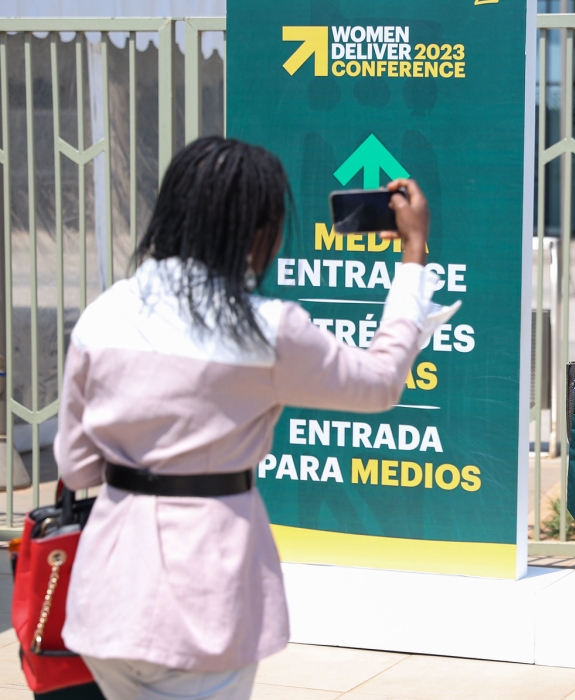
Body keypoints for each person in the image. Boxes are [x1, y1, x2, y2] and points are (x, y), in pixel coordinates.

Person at [53, 136, 449, 700]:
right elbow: (381, 382)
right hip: (204, 604)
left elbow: (76, 465)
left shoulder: (104, 314)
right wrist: (413, 255)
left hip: (106, 599)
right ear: (257, 230)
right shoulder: (266, 330)